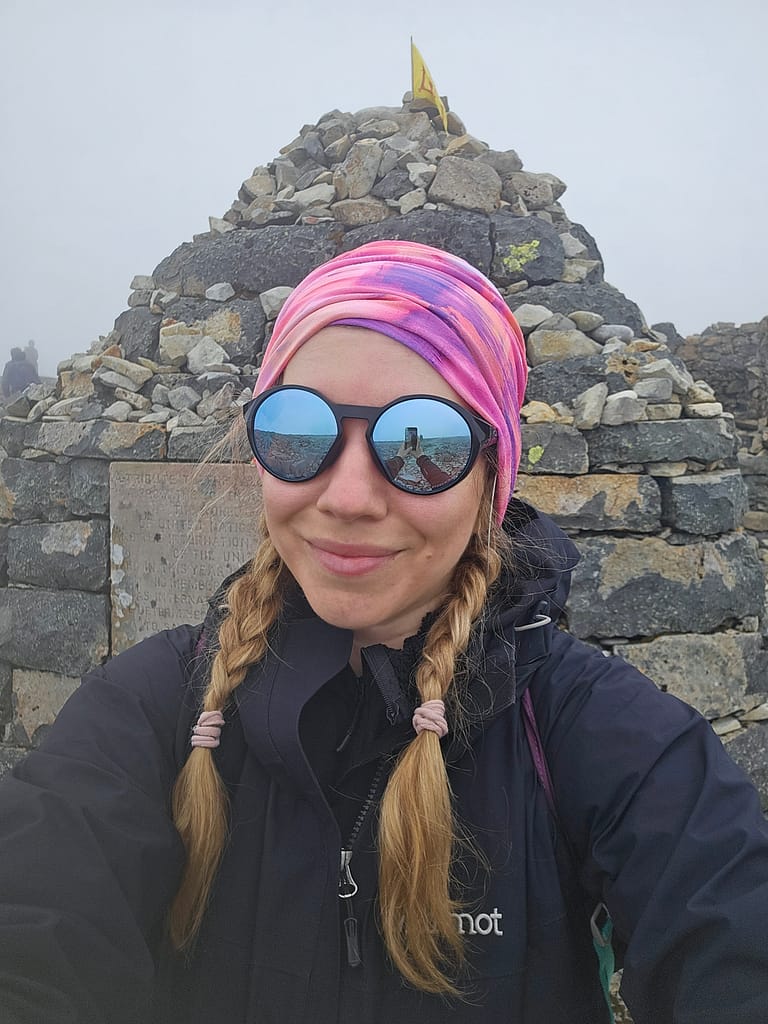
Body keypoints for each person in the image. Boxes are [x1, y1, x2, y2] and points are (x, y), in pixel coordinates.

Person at [0, 241, 767, 1024]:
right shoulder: (150, 710)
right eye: (300, 430)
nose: (351, 497)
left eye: (423, 445)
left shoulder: (603, 738)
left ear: (491, 477)